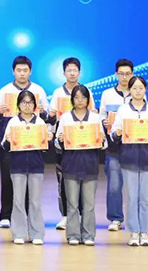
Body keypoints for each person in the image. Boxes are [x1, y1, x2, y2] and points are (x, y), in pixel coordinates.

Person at [110, 76, 148, 247]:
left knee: (146, 199)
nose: (137, 91)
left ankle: (145, 232)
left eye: (141, 88)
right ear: (130, 90)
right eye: (134, 88)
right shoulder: (123, 111)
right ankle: (134, 232)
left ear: (145, 90)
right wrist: (117, 133)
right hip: (129, 159)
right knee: (132, 198)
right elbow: (113, 135)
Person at [0, 56, 48, 228]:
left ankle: (29, 216)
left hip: (33, 145)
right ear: (13, 71)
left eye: (25, 70)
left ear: (30, 71)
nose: (22, 73)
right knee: (8, 179)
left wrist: (43, 112)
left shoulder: (38, 90)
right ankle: (6, 215)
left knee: (31, 181)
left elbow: (47, 116)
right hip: (11, 144)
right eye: (19, 70)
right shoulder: (4, 91)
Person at [55, 84, 106, 246]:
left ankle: (89, 235)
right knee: (72, 203)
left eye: (83, 97)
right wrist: (60, 140)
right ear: (72, 100)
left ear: (88, 99)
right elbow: (56, 143)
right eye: (76, 97)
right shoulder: (65, 118)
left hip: (90, 165)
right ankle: (73, 235)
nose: (80, 100)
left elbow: (104, 144)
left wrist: (102, 139)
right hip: (71, 165)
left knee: (89, 204)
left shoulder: (95, 118)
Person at [48, 57, 95, 231]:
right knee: (64, 180)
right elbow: (51, 119)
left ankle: (82, 215)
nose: (72, 73)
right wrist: (51, 116)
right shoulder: (57, 93)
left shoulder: (87, 92)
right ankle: (66, 215)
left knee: (85, 180)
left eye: (75, 70)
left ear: (80, 72)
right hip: (64, 144)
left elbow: (93, 116)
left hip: (84, 145)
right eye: (69, 70)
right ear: (64, 73)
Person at [1, 90, 52, 245]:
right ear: (18, 105)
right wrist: (8, 141)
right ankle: (19, 233)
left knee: (35, 201)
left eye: (30, 102)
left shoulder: (40, 123)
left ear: (35, 105)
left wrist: (48, 140)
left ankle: (37, 233)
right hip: (17, 166)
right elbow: (4, 145)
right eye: (24, 102)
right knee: (18, 200)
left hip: (36, 166)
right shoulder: (13, 122)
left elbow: (45, 148)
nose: (27, 105)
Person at [99, 59, 134, 231]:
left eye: (127, 74)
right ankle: (116, 219)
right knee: (114, 185)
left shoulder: (138, 92)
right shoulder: (107, 94)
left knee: (134, 186)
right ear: (116, 74)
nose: (124, 77)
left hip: (134, 147)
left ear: (132, 74)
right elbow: (101, 115)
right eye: (121, 74)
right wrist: (104, 121)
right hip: (113, 147)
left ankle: (135, 220)